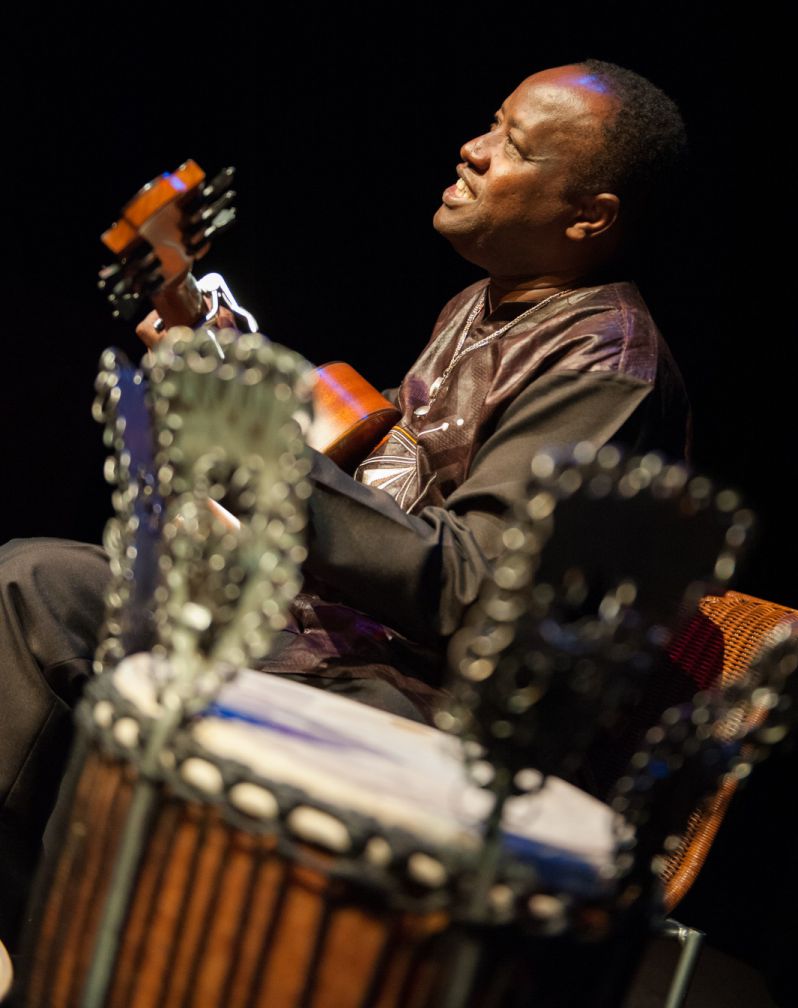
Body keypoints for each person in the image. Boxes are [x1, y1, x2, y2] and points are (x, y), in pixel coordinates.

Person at [0, 59, 690, 946]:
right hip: (325, 641)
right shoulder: (480, 306)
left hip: (424, 708)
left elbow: (475, 586)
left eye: (514, 147)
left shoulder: (605, 363)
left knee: (146, 682)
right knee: (36, 586)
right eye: (492, 122)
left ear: (589, 216)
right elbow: (390, 493)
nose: (473, 151)